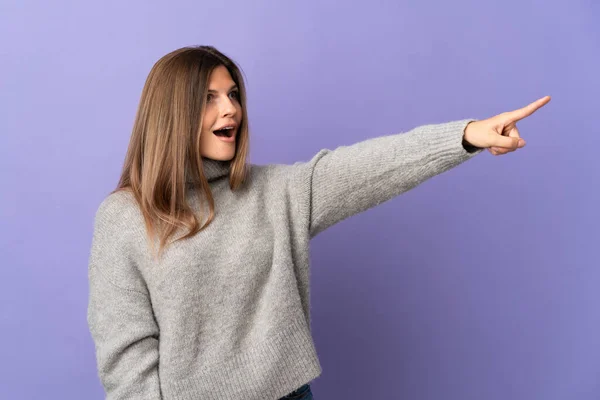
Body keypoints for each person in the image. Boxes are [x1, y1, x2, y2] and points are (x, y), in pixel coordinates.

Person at [86, 45, 550, 400]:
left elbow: (370, 167)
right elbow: (127, 356)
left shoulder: (276, 191)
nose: (230, 109)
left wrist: (466, 135)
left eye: (232, 95)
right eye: (208, 98)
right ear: (171, 114)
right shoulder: (125, 219)